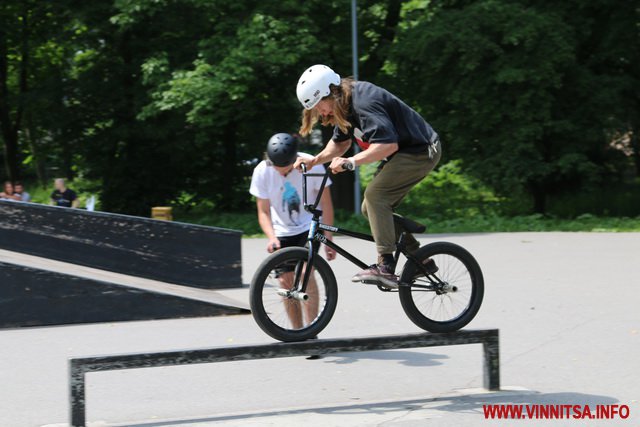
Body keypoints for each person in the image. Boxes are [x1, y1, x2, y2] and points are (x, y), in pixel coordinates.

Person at [294, 64, 442, 288]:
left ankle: (386, 266)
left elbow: (388, 145)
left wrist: (351, 162)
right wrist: (314, 160)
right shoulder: (343, 105)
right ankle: (420, 258)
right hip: (404, 151)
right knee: (370, 208)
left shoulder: (363, 101)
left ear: (331, 91)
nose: (321, 113)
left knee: (375, 196)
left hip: (421, 150)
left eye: (320, 106)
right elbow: (340, 143)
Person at [250, 133, 336, 331]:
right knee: (285, 281)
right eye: (278, 169)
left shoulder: (312, 164)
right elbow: (263, 211)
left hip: (309, 226)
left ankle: (311, 329)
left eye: (286, 170)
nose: (281, 174)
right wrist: (271, 237)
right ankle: (297, 332)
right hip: (281, 231)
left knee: (306, 273)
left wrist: (328, 237)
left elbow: (326, 202)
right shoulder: (262, 170)